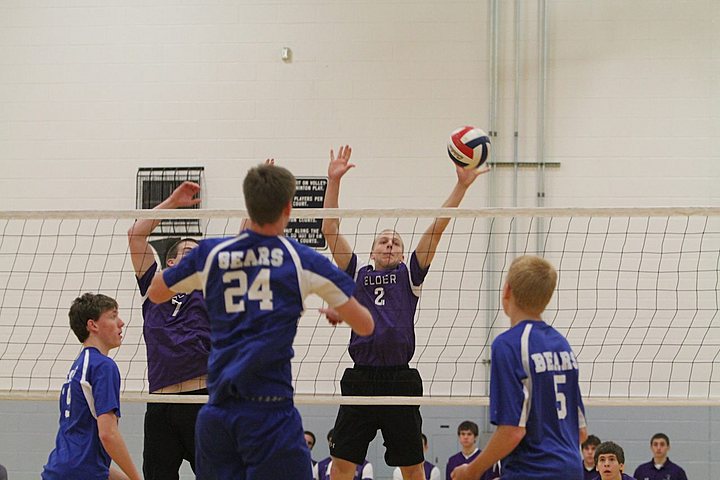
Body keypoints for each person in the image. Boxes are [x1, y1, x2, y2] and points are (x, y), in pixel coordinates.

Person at [148, 162, 374, 480]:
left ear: (248, 205)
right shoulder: (302, 258)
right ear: (288, 208)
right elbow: (365, 325)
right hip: (271, 412)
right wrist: (340, 311)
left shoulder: (211, 253)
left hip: (218, 412)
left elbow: (156, 293)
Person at [321, 145, 488, 480]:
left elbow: (438, 228)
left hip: (400, 378)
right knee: (342, 464)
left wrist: (462, 186)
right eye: (383, 241)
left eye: (395, 242)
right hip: (361, 377)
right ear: (372, 250)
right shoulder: (356, 273)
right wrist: (333, 180)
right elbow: (330, 231)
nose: (389, 246)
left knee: (412, 467)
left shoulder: (409, 274)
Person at [451, 255, 588, 480]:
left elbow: (513, 430)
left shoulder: (508, 344)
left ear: (507, 290)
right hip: (572, 470)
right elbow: (582, 432)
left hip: (531, 471)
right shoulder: (562, 345)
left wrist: (472, 470)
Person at [127, 180, 211, 479]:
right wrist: (172, 202)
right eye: (188, 251)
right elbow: (136, 234)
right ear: (171, 261)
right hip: (160, 403)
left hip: (202, 398)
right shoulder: (154, 287)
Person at [41, 293, 141, 480]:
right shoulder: (103, 366)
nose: (121, 323)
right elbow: (108, 434)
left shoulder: (79, 366)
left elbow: (88, 457)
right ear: (92, 325)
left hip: (60, 471)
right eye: (113, 316)